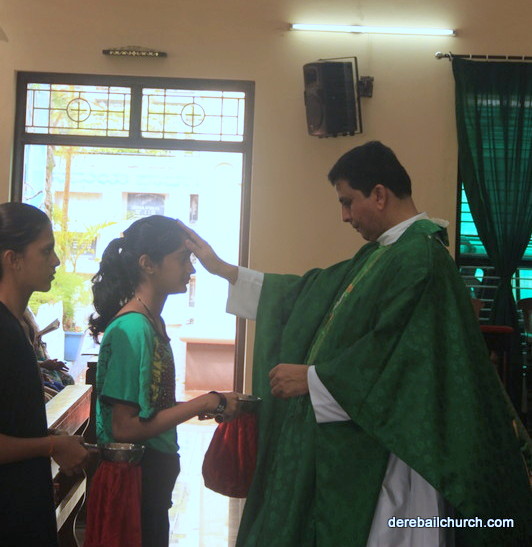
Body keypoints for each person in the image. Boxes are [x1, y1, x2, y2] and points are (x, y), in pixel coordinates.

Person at [183, 141, 532, 546]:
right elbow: (310, 293)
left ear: (379, 194)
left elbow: (403, 357)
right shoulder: (383, 254)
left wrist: (314, 379)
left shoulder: (420, 258)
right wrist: (225, 270)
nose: (345, 216)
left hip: (396, 451)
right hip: (370, 435)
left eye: (348, 202)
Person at [87, 215, 242, 547]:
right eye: (183, 258)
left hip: (151, 475)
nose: (191, 269)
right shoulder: (132, 328)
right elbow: (124, 428)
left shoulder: (151, 321)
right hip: (134, 479)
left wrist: (209, 404)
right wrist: (204, 402)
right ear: (148, 264)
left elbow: (151, 407)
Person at [0, 202, 88, 546]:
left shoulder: (16, 325)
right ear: (13, 259)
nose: (56, 261)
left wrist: (51, 440)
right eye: (46, 250)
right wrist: (51, 445)